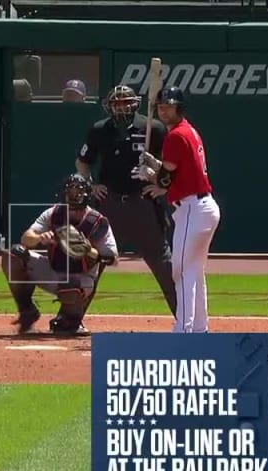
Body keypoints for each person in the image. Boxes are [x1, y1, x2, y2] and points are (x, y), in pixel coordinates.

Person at [75, 85, 178, 318]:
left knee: (163, 262)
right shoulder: (99, 130)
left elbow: (170, 166)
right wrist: (91, 186)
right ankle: (72, 318)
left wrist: (156, 176)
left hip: (142, 203)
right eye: (116, 103)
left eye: (125, 102)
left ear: (134, 103)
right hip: (109, 203)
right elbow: (82, 162)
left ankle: (186, 319)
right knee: (90, 260)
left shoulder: (154, 128)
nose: (121, 107)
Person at [133, 87, 221, 334]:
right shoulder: (188, 131)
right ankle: (200, 328)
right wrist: (157, 171)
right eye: (161, 107)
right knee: (193, 270)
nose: (163, 110)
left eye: (168, 106)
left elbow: (166, 176)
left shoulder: (175, 136)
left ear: (179, 108)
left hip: (194, 208)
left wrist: (151, 174)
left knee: (180, 269)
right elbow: (178, 174)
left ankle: (183, 328)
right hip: (200, 206)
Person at [2, 173, 118, 336]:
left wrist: (88, 250)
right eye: (70, 191)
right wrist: (40, 238)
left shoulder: (97, 221)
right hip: (52, 269)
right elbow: (26, 238)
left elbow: (112, 258)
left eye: (77, 191)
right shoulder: (53, 213)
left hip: (81, 277)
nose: (74, 195)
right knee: (14, 255)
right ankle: (27, 311)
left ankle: (70, 319)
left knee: (71, 288)